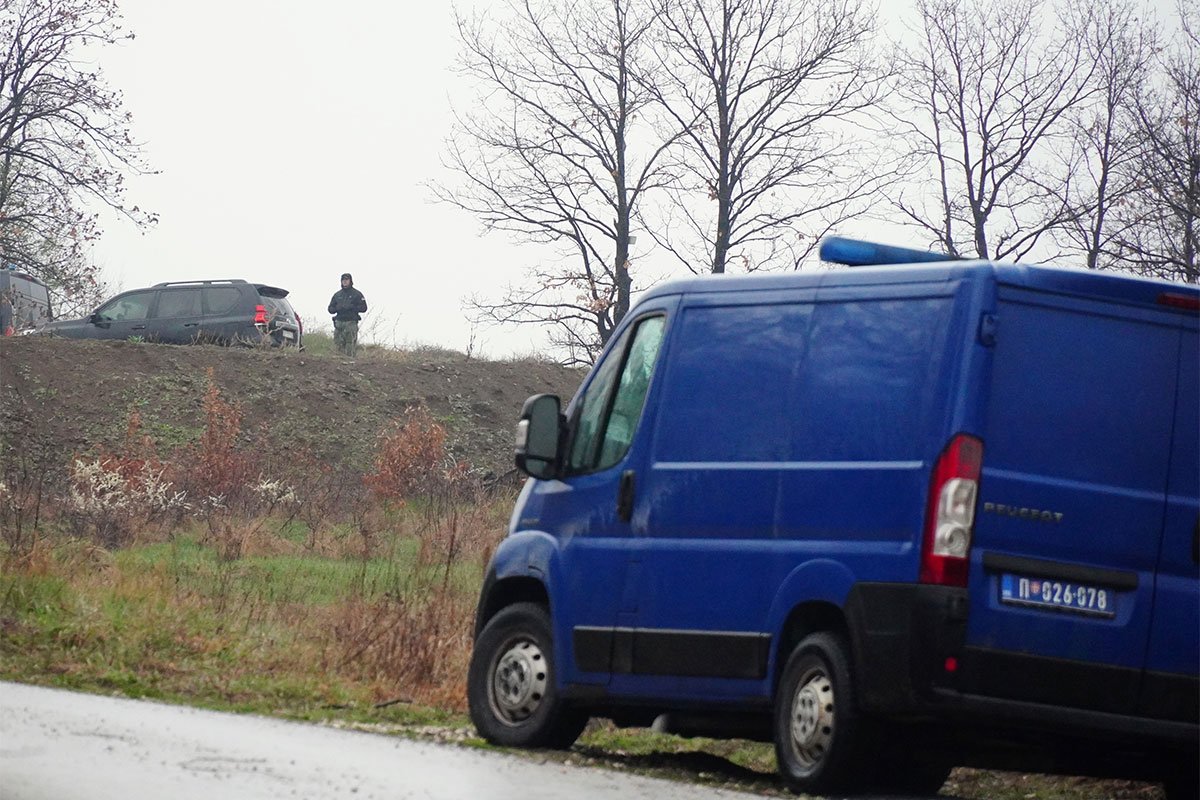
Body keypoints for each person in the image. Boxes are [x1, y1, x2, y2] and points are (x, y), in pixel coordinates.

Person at [327, 272, 367, 357]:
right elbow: (330, 309)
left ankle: (350, 362)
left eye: (346, 280)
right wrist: (337, 308)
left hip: (351, 322)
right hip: (339, 323)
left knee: (350, 344)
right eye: (343, 280)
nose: (345, 282)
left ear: (350, 281)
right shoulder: (337, 295)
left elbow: (364, 308)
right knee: (338, 344)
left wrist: (352, 307)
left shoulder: (356, 294)